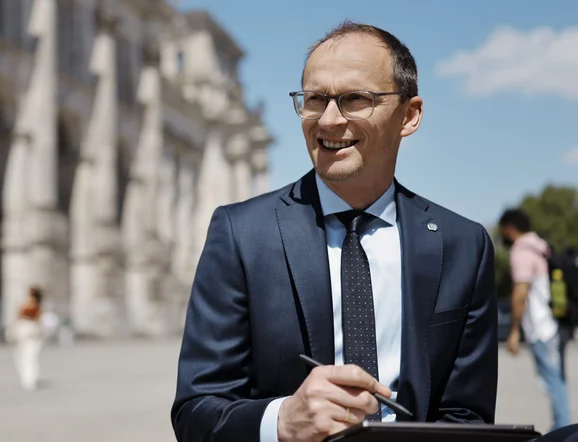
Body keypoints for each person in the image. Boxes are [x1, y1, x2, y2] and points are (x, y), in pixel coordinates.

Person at [171, 21, 498, 442]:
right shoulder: (240, 234)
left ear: (409, 115)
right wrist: (283, 421)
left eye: (354, 99)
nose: (328, 119)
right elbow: (196, 412)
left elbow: (467, 416)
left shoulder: (462, 246)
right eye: (315, 99)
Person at [498, 209, 571, 432]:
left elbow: (520, 292)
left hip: (541, 327)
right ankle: (562, 427)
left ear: (509, 228)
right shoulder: (541, 246)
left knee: (553, 382)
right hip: (557, 323)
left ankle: (564, 431)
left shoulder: (522, 251)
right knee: (558, 380)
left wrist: (513, 331)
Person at [11, 286, 44, 391]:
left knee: (26, 357)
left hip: (26, 331)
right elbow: (39, 321)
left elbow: (18, 317)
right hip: (33, 332)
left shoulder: (27, 305)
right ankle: (30, 379)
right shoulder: (38, 306)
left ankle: (28, 380)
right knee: (31, 357)